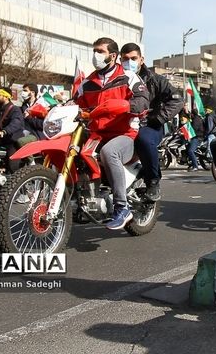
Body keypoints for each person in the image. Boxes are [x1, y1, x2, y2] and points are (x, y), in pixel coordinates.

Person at [75, 37, 149, 230]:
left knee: (109, 152)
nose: (95, 55)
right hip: (96, 134)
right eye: (94, 50)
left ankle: (121, 208)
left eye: (100, 51)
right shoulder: (87, 83)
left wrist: (126, 105)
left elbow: (143, 102)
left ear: (113, 56)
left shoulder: (128, 77)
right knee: (73, 150)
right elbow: (74, 105)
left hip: (125, 134)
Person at [120, 42, 183, 201]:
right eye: (125, 59)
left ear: (141, 59)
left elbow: (177, 100)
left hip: (149, 126)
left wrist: (158, 118)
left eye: (133, 58)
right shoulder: (116, 80)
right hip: (120, 126)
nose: (129, 62)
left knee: (144, 139)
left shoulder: (156, 80)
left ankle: (153, 181)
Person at [0, 86, 25, 174]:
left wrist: (4, 131)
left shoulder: (15, 110)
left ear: (6, 97)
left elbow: (16, 123)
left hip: (12, 142)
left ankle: (18, 185)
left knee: (12, 166)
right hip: (1, 142)